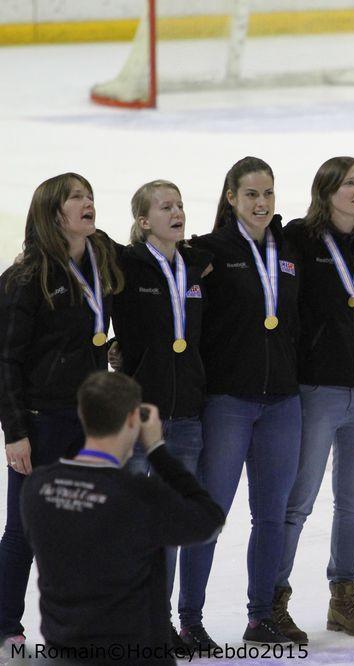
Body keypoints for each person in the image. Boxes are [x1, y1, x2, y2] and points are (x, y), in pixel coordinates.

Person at [178, 157, 302, 648]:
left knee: (272, 515)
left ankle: (259, 618)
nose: (261, 203)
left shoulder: (290, 247)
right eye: (251, 194)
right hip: (228, 401)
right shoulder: (207, 251)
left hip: (283, 404)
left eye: (268, 193)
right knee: (210, 513)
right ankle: (190, 620)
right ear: (231, 197)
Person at [20, 371, 224, 665]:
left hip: (62, 652)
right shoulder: (137, 495)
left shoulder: (37, 487)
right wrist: (157, 451)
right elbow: (209, 520)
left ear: (82, 413)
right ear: (133, 420)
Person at [0, 173, 123, 649]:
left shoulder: (103, 256)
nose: (88, 202)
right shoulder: (26, 278)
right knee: (26, 532)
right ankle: (7, 628)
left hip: (90, 421)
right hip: (41, 420)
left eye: (90, 194)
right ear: (54, 214)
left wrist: (117, 347)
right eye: (76, 197)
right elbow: (6, 361)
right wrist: (15, 432)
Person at [275, 157, 354, 642]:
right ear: (325, 191)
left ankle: (343, 598)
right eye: (349, 184)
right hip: (317, 389)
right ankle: (272, 599)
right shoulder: (299, 237)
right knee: (298, 501)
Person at [112, 180, 212, 644]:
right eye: (165, 207)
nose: (177, 213)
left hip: (187, 415)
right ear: (142, 221)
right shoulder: (127, 263)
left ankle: (162, 621)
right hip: (139, 416)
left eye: (180, 205)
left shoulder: (194, 264)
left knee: (169, 525)